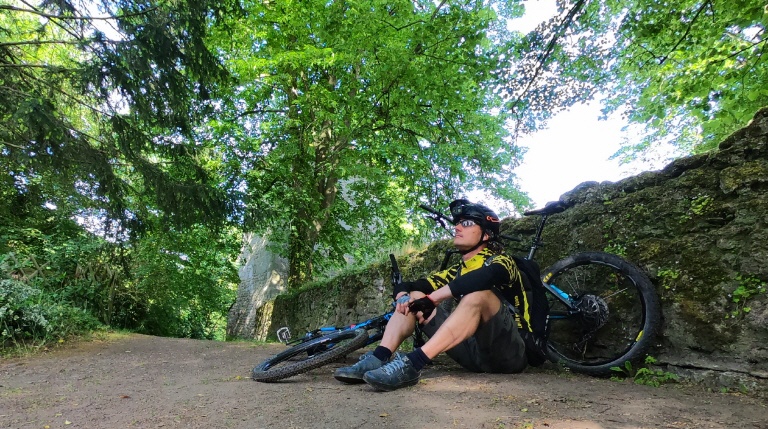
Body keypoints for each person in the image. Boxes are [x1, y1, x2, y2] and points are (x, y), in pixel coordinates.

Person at [333, 199, 531, 391]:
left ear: (486, 235)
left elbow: (485, 277)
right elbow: (413, 285)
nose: (457, 227)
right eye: (457, 223)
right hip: (473, 356)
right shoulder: (458, 270)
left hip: (510, 354)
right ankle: (379, 357)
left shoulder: (502, 261)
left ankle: (412, 364)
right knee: (415, 294)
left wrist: (433, 298)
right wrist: (403, 296)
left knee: (478, 295)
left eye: (467, 223)